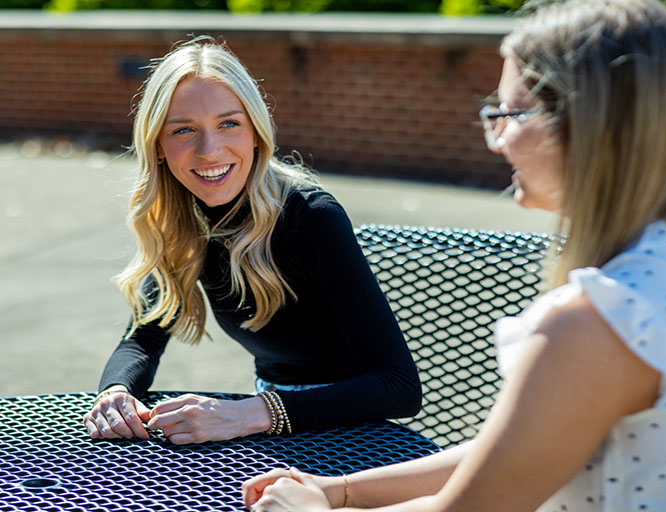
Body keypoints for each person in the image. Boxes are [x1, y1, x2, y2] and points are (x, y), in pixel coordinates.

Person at [241, 0, 666, 510]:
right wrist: (340, 491)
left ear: (590, 123)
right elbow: (518, 451)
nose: (495, 139)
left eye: (510, 112)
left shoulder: (599, 320)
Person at [82, 37, 421, 445]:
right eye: (184, 130)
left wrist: (250, 413)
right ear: (158, 147)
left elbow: (399, 388)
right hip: (268, 427)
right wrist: (115, 393)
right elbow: (144, 336)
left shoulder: (310, 216)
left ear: (256, 133)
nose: (209, 151)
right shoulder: (184, 218)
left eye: (229, 124)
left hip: (352, 433)